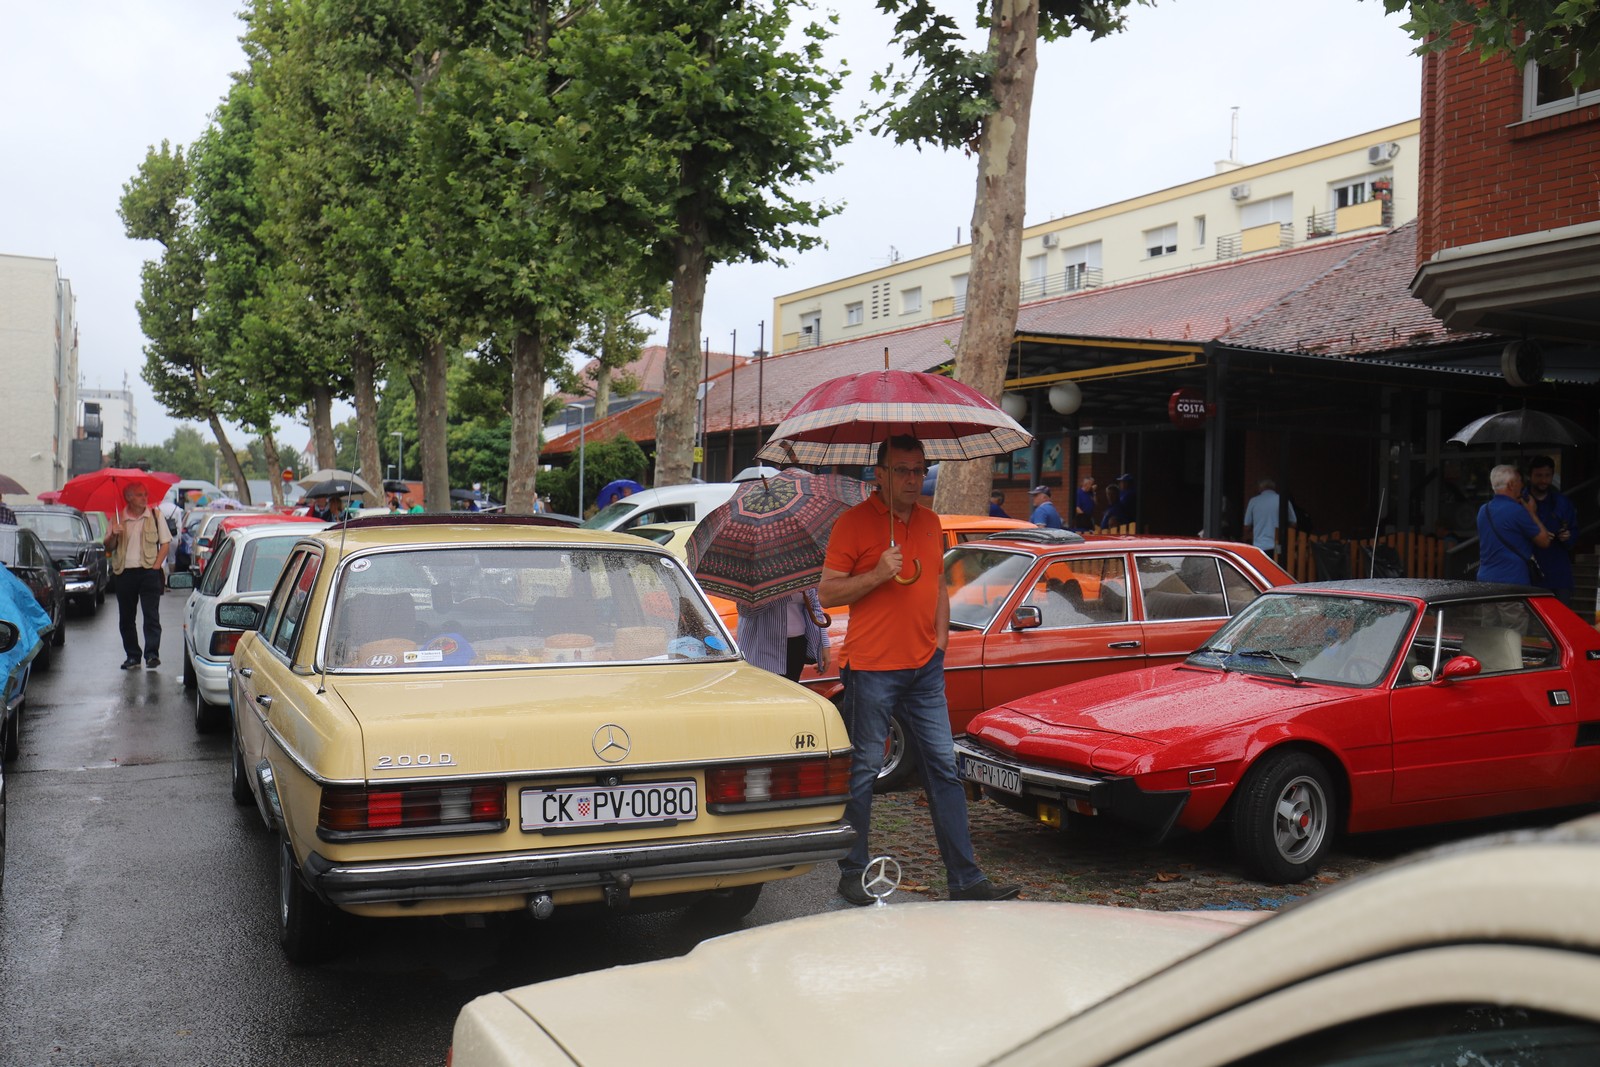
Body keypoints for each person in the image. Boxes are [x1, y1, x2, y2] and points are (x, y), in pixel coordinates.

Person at [819, 435, 1020, 905]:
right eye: (903, 470)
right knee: (865, 771)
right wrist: (876, 574)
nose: (914, 479)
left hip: (924, 668)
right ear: (880, 475)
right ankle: (853, 873)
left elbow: (937, 587)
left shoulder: (931, 522)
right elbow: (828, 594)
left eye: (919, 469)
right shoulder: (853, 524)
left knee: (945, 770)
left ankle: (966, 881)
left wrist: (941, 640)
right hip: (871, 668)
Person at [105, 483, 172, 669]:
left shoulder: (155, 515)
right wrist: (113, 535)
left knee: (151, 616)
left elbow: (165, 544)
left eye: (146, 494)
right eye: (140, 495)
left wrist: (155, 567)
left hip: (148, 572)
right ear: (129, 498)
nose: (145, 498)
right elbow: (108, 548)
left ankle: (152, 655)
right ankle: (133, 656)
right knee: (126, 618)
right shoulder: (117, 518)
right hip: (124, 573)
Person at [1477, 463, 1553, 585]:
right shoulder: (1518, 511)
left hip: (1485, 579)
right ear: (1511, 485)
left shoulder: (1483, 510)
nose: (1522, 485)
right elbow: (1544, 541)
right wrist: (1531, 512)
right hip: (1512, 581)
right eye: (1519, 481)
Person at [736, 589, 829, 682]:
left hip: (796, 644)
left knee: (790, 691)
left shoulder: (802, 575)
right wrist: (783, 592)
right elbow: (745, 610)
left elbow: (814, 606)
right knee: (765, 690)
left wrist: (824, 643)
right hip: (761, 646)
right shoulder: (758, 576)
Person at [1524, 456, 1578, 606]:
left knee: (1562, 623)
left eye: (1547, 475)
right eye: (1539, 475)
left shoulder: (1562, 502)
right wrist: (1536, 535)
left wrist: (1568, 536)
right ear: (1530, 476)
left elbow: (1574, 530)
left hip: (1559, 573)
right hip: (1530, 573)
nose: (1543, 480)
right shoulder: (1521, 501)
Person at [1242, 478, 1296, 559]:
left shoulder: (1254, 501)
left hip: (1259, 546)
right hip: (1278, 545)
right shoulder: (1282, 500)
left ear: (1260, 488)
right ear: (1274, 487)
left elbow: (1247, 526)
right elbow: (1293, 523)